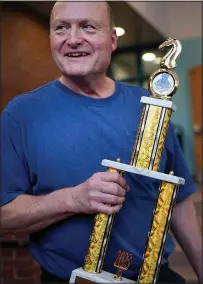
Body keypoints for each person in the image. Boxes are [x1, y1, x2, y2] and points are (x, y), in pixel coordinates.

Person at [1, 2, 202, 284]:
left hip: (155, 276)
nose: (72, 39)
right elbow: (4, 216)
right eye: (61, 27)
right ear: (51, 39)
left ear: (112, 40)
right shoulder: (20, 115)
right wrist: (73, 199)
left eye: (87, 26)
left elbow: (178, 200)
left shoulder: (151, 107)